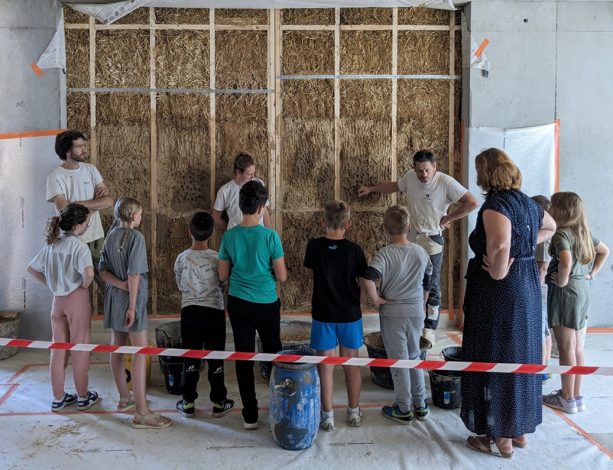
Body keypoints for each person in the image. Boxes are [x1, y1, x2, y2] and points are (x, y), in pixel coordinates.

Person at [462, 148, 556, 459]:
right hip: (527, 286)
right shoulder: (528, 203)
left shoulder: (495, 206)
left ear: (485, 173)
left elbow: (500, 244)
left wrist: (501, 268)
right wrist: (526, 245)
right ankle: (518, 430)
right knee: (520, 353)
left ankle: (500, 438)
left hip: (500, 293)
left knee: (497, 353)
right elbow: (551, 227)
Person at [358, 150, 478, 348]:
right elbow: (396, 186)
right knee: (406, 278)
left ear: (435, 167)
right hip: (411, 237)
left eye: (427, 170)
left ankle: (429, 329)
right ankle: (407, 319)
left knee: (431, 284)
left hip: (432, 239)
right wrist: (371, 189)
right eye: (419, 170)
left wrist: (449, 218)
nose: (423, 175)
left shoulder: (446, 182)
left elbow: (472, 202)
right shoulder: (410, 178)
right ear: (414, 168)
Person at [218, 180, 287, 430]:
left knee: (243, 355)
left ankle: (249, 413)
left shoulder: (229, 236)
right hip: (266, 303)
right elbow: (281, 276)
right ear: (261, 208)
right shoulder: (270, 236)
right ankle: (279, 406)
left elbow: (222, 275)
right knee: (274, 356)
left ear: (239, 205)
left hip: (238, 303)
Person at [99, 197, 171, 429]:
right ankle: (141, 412)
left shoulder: (110, 235)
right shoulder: (136, 238)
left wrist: (118, 286)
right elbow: (134, 274)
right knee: (141, 352)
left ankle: (124, 397)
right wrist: (131, 305)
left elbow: (102, 271)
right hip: (132, 300)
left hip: (113, 298)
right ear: (134, 216)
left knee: (116, 347)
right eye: (140, 214)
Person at [362, 205, 433, 424]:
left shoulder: (384, 254)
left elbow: (368, 277)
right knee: (415, 358)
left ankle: (403, 407)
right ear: (409, 227)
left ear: (385, 229)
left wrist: (376, 300)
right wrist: (421, 302)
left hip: (393, 313)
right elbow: (429, 280)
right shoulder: (421, 252)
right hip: (415, 312)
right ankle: (421, 405)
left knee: (399, 361)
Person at [27, 203, 100, 412]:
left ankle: (58, 397)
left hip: (56, 301)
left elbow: (31, 269)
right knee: (80, 348)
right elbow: (88, 274)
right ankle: (83, 396)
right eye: (86, 222)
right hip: (76, 299)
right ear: (77, 226)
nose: (87, 226)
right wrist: (83, 286)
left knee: (58, 349)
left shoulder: (53, 244)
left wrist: (51, 283)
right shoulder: (79, 246)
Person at [303, 200, 367, 431]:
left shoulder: (314, 246)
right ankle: (354, 411)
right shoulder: (355, 250)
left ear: (323, 222)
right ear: (348, 224)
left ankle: (327, 415)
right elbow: (362, 282)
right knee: (352, 365)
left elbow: (309, 274)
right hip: (350, 314)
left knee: (325, 366)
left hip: (323, 313)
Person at [542, 192, 609, 413]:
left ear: (561, 211)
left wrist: (561, 281)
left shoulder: (561, 234)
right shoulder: (583, 232)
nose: (549, 210)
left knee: (565, 347)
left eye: (552, 207)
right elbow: (604, 251)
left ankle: (566, 397)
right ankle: (576, 395)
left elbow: (566, 260)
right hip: (582, 290)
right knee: (578, 346)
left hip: (566, 293)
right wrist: (592, 274)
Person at [174, 211, 234, 419]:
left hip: (190, 312)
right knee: (216, 359)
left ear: (189, 231)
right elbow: (224, 283)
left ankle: (188, 402)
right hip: (214, 313)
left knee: (190, 358)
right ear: (212, 232)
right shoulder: (218, 258)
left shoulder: (182, 258)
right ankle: (219, 402)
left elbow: (180, 285)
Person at [46, 130, 113, 288]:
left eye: (85, 145)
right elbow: (64, 209)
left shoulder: (91, 169)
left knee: (108, 285)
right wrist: (95, 202)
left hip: (97, 238)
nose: (85, 149)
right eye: (79, 146)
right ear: (67, 150)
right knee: (75, 286)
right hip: (72, 240)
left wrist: (75, 204)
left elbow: (108, 201)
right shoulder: (55, 177)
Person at [213, 153, 272, 231]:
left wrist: (270, 233)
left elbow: (265, 211)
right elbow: (216, 216)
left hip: (258, 235)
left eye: (253, 173)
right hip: (236, 238)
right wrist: (231, 232)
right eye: (249, 174)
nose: (253, 177)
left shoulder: (258, 184)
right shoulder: (225, 191)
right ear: (238, 172)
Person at [531, 195, 553, 375]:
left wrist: (533, 290)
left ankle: (542, 370)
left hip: (540, 289)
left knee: (540, 330)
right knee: (543, 329)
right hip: (542, 289)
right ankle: (544, 367)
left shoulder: (543, 239)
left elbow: (542, 267)